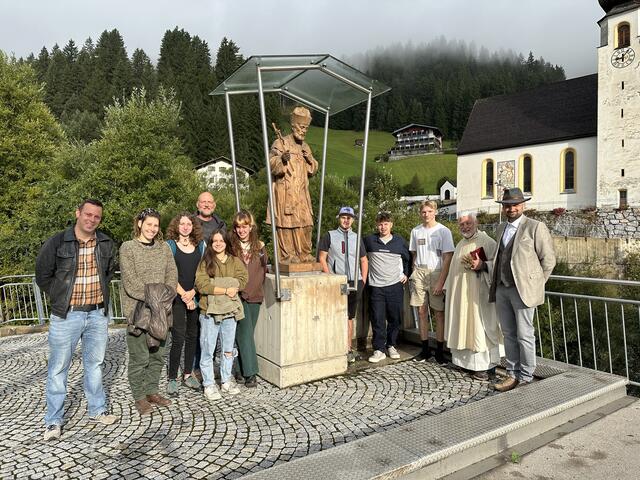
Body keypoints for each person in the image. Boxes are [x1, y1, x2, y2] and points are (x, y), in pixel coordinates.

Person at [35, 199, 117, 441]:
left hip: (96, 314)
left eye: (97, 217)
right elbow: (43, 274)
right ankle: (53, 422)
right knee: (59, 368)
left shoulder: (105, 242)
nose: (92, 220)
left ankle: (97, 409)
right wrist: (60, 296)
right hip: (66, 314)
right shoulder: (58, 241)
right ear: (78, 213)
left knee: (95, 364)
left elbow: (109, 271)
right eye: (88, 214)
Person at [472, 188, 556, 392]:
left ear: (523, 205)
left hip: (523, 291)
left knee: (525, 334)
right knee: (509, 334)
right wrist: (485, 266)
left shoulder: (535, 227)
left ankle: (526, 376)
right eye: (508, 205)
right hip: (502, 289)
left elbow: (549, 260)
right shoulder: (501, 228)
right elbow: (500, 259)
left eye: (515, 204)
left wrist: (535, 285)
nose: (511, 208)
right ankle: (512, 373)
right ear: (503, 207)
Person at [120, 208, 178, 415]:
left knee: (158, 355)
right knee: (139, 357)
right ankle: (139, 397)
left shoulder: (163, 248)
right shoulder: (128, 248)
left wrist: (164, 297)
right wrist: (156, 297)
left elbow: (172, 274)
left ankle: (152, 390)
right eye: (149, 224)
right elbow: (131, 283)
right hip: (138, 310)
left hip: (162, 311)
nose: (152, 229)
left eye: (156, 225)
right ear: (139, 224)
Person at [444, 212, 503, 379]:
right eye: (461, 224)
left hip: (479, 296)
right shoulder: (460, 244)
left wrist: (483, 265)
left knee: (478, 328)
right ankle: (465, 364)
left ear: (476, 223)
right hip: (461, 296)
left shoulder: (487, 242)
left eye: (468, 223)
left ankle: (483, 367)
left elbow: (497, 266)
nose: (465, 227)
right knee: (462, 325)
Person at [195, 230, 248, 400]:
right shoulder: (205, 262)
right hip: (209, 312)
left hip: (230, 312)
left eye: (221, 240)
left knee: (227, 349)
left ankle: (226, 380)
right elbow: (202, 285)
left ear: (226, 242)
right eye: (214, 241)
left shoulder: (235, 261)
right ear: (211, 244)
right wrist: (226, 289)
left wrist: (215, 285)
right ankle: (209, 384)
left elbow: (242, 280)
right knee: (208, 349)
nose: (218, 243)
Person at [266, 106, 319, 264]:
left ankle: (304, 253)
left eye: (306, 128)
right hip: (285, 191)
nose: (304, 131)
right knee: (287, 224)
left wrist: (309, 158)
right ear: (294, 126)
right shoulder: (280, 143)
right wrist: (282, 159)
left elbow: (313, 169)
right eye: (302, 127)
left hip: (302, 192)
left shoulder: (305, 146)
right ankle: (288, 255)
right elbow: (271, 163)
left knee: (307, 223)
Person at [318, 206, 369, 363]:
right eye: (343, 217)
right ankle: (334, 348)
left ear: (353, 220)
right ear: (339, 218)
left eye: (349, 217)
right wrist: (329, 278)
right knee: (335, 315)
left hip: (355, 281)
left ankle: (347, 349)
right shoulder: (329, 236)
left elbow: (364, 260)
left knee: (349, 317)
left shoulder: (357, 237)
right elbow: (322, 258)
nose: (346, 220)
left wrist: (363, 280)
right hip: (337, 282)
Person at [165, 213, 207, 396]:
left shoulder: (201, 246)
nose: (185, 227)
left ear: (193, 226)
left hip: (194, 295)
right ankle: (172, 378)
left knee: (193, 336)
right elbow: (169, 274)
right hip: (177, 298)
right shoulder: (170, 246)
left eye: (188, 223)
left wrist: (193, 294)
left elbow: (204, 272)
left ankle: (188, 373)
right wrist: (184, 295)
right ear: (176, 226)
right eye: (181, 223)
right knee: (178, 337)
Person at [409, 200, 454, 364]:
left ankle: (440, 351)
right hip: (420, 272)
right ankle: (425, 349)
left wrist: (441, 281)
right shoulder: (416, 231)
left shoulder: (444, 231)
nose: (426, 214)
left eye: (429, 211)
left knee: (439, 314)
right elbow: (414, 254)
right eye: (423, 212)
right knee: (421, 312)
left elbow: (448, 257)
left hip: (436, 272)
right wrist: (414, 272)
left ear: (435, 212)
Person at [363, 212, 411, 363]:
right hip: (376, 287)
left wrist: (406, 274)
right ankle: (379, 349)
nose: (383, 227)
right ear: (377, 225)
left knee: (394, 318)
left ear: (391, 225)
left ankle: (391, 345)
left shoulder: (399, 241)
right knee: (377, 319)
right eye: (380, 224)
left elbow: (409, 258)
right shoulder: (369, 240)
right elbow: (360, 258)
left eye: (386, 224)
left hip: (394, 286)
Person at [229, 210, 268, 387]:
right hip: (238, 297)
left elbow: (263, 271)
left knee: (245, 335)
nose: (242, 230)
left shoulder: (259, 247)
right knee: (244, 333)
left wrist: (256, 289)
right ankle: (251, 373)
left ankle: (238, 369)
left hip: (256, 296)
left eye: (245, 226)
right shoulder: (231, 247)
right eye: (238, 227)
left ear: (251, 227)